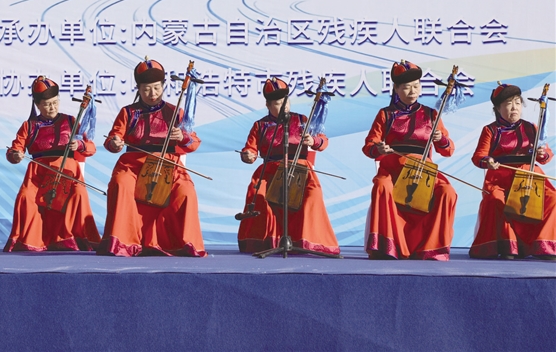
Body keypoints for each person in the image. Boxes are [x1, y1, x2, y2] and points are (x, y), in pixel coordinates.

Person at [99, 59, 206, 257]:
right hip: (133, 165)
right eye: (146, 89)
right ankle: (124, 241)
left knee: (186, 191)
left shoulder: (175, 112)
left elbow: (194, 142)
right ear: (139, 89)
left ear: (163, 86)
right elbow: (113, 138)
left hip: (168, 165)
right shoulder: (128, 112)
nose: (152, 93)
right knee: (121, 183)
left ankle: (181, 243)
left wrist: (182, 137)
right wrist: (115, 142)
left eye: (157, 88)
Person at [362, 60, 457, 260]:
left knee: (447, 192)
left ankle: (432, 247)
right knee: (382, 186)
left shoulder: (431, 114)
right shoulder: (386, 114)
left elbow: (448, 150)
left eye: (416, 86)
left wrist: (441, 139)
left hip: (424, 171)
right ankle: (387, 246)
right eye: (406, 87)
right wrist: (379, 148)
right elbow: (369, 145)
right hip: (393, 170)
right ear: (396, 89)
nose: (412, 91)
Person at [237, 78, 339, 256]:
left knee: (312, 195)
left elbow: (323, 141)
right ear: (268, 105)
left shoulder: (302, 120)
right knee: (258, 194)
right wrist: (247, 155)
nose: (284, 106)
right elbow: (250, 149)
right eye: (278, 103)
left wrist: (313, 140)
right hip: (270, 171)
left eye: (286, 101)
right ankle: (268, 241)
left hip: (300, 170)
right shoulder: (260, 125)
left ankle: (306, 240)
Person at [4, 77, 101, 252]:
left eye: (55, 103)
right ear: (38, 105)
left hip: (67, 172)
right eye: (47, 104)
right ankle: (31, 240)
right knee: (26, 196)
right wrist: (16, 155)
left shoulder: (70, 121)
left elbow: (91, 147)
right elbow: (14, 150)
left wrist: (79, 145)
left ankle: (72, 238)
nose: (52, 107)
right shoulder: (29, 126)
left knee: (78, 193)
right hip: (38, 174)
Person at [469, 84, 555, 260]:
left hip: (529, 176)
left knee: (553, 199)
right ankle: (507, 246)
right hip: (501, 177)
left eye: (517, 102)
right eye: (508, 103)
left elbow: (546, 155)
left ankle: (543, 245)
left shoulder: (531, 127)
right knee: (496, 199)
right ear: (497, 108)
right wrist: (488, 161)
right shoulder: (490, 130)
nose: (514, 107)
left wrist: (542, 153)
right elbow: (478, 156)